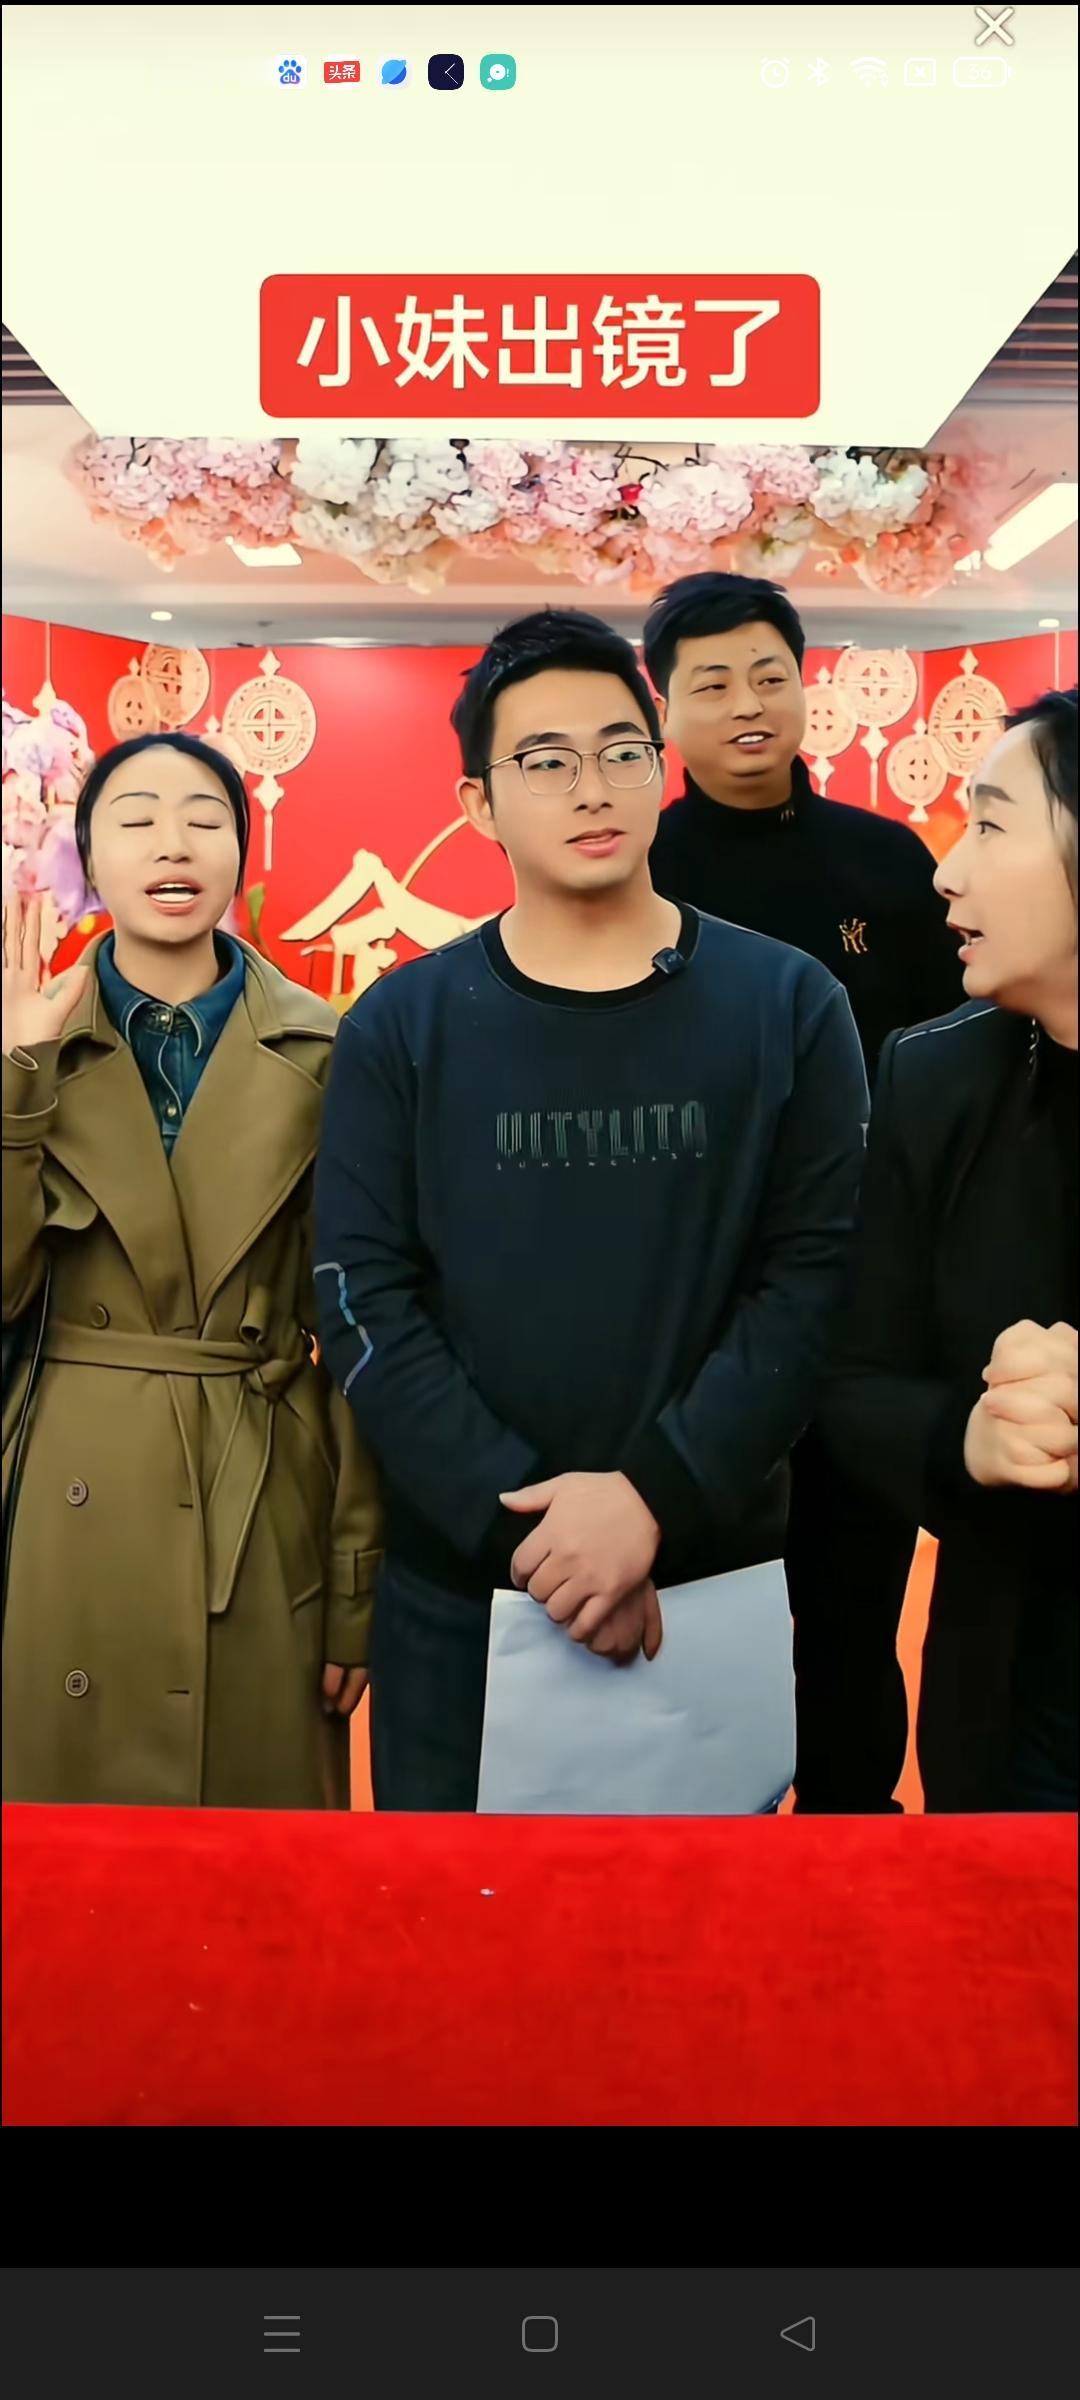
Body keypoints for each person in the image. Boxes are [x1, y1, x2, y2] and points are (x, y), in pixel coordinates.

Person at [314, 608, 869, 1812]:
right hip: (464, 1590)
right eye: (545, 761)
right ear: (478, 804)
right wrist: (540, 1541)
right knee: (454, 1924)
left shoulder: (788, 1005)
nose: (591, 788)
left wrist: (653, 1500)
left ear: (659, 769)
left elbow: (813, 1281)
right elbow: (364, 1302)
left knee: (700, 1928)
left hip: (706, 1577)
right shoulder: (402, 1025)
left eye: (621, 751)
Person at [2, 732, 382, 1808]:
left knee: (250, 1862)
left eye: (204, 819)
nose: (173, 844)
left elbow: (362, 1339)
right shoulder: (27, 1034)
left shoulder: (329, 1051)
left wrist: (355, 1582)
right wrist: (18, 1077)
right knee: (60, 1867)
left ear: (240, 852)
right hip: (62, 1505)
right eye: (136, 820)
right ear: (89, 860)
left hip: (258, 1500)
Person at [645, 572, 964, 1813]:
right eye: (713, 683)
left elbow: (958, 1069)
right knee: (695, 1605)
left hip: (861, 1306)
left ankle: (851, 1838)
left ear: (803, 685)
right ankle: (701, 1850)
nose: (747, 705)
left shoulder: (885, 864)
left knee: (850, 1609)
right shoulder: (639, 867)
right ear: (665, 709)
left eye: (769, 676)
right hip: (691, 1311)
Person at [822, 689, 1078, 1812]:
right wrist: (964, 1436)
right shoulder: (936, 1078)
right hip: (1013, 1693)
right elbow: (853, 1378)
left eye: (991, 824)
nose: (947, 874)